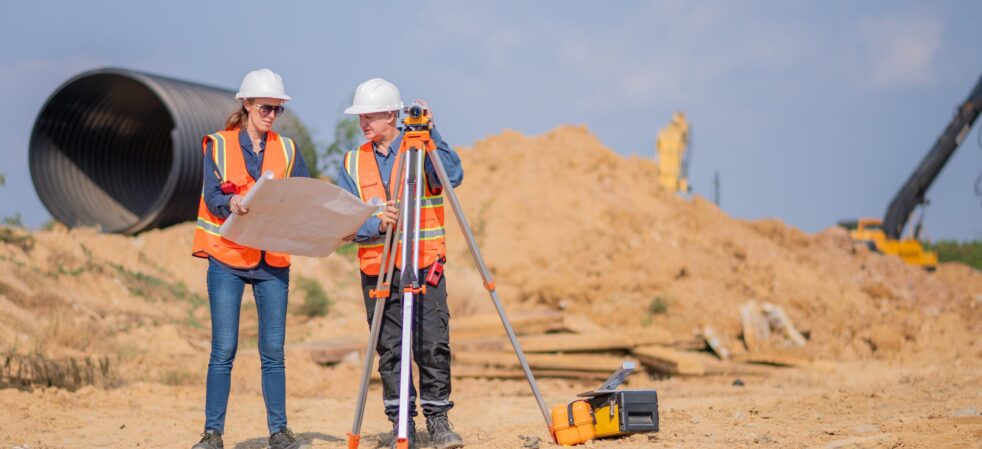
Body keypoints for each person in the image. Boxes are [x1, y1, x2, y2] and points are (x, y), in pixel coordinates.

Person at [336, 78, 465, 449]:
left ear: (392, 115)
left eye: (371, 116)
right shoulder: (352, 162)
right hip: (379, 267)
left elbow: (452, 176)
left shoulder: (421, 151)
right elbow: (343, 218)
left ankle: (438, 420)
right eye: (361, 116)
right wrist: (376, 223)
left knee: (432, 344)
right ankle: (400, 424)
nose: (363, 123)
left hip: (425, 264)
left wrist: (430, 130)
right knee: (391, 350)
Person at [190, 68, 311, 449]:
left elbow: (303, 195)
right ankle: (213, 434)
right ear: (246, 104)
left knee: (273, 353)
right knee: (223, 350)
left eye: (277, 109)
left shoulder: (288, 149)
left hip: (271, 262)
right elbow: (212, 196)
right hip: (227, 259)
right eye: (265, 107)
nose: (271, 115)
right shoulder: (219, 144)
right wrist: (232, 202)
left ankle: (279, 431)